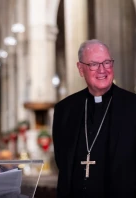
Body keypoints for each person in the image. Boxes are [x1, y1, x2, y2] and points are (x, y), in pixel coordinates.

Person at [53, 39, 136, 198]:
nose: (102, 70)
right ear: (80, 68)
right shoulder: (65, 110)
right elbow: (62, 161)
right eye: (94, 64)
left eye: (107, 62)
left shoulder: (132, 106)